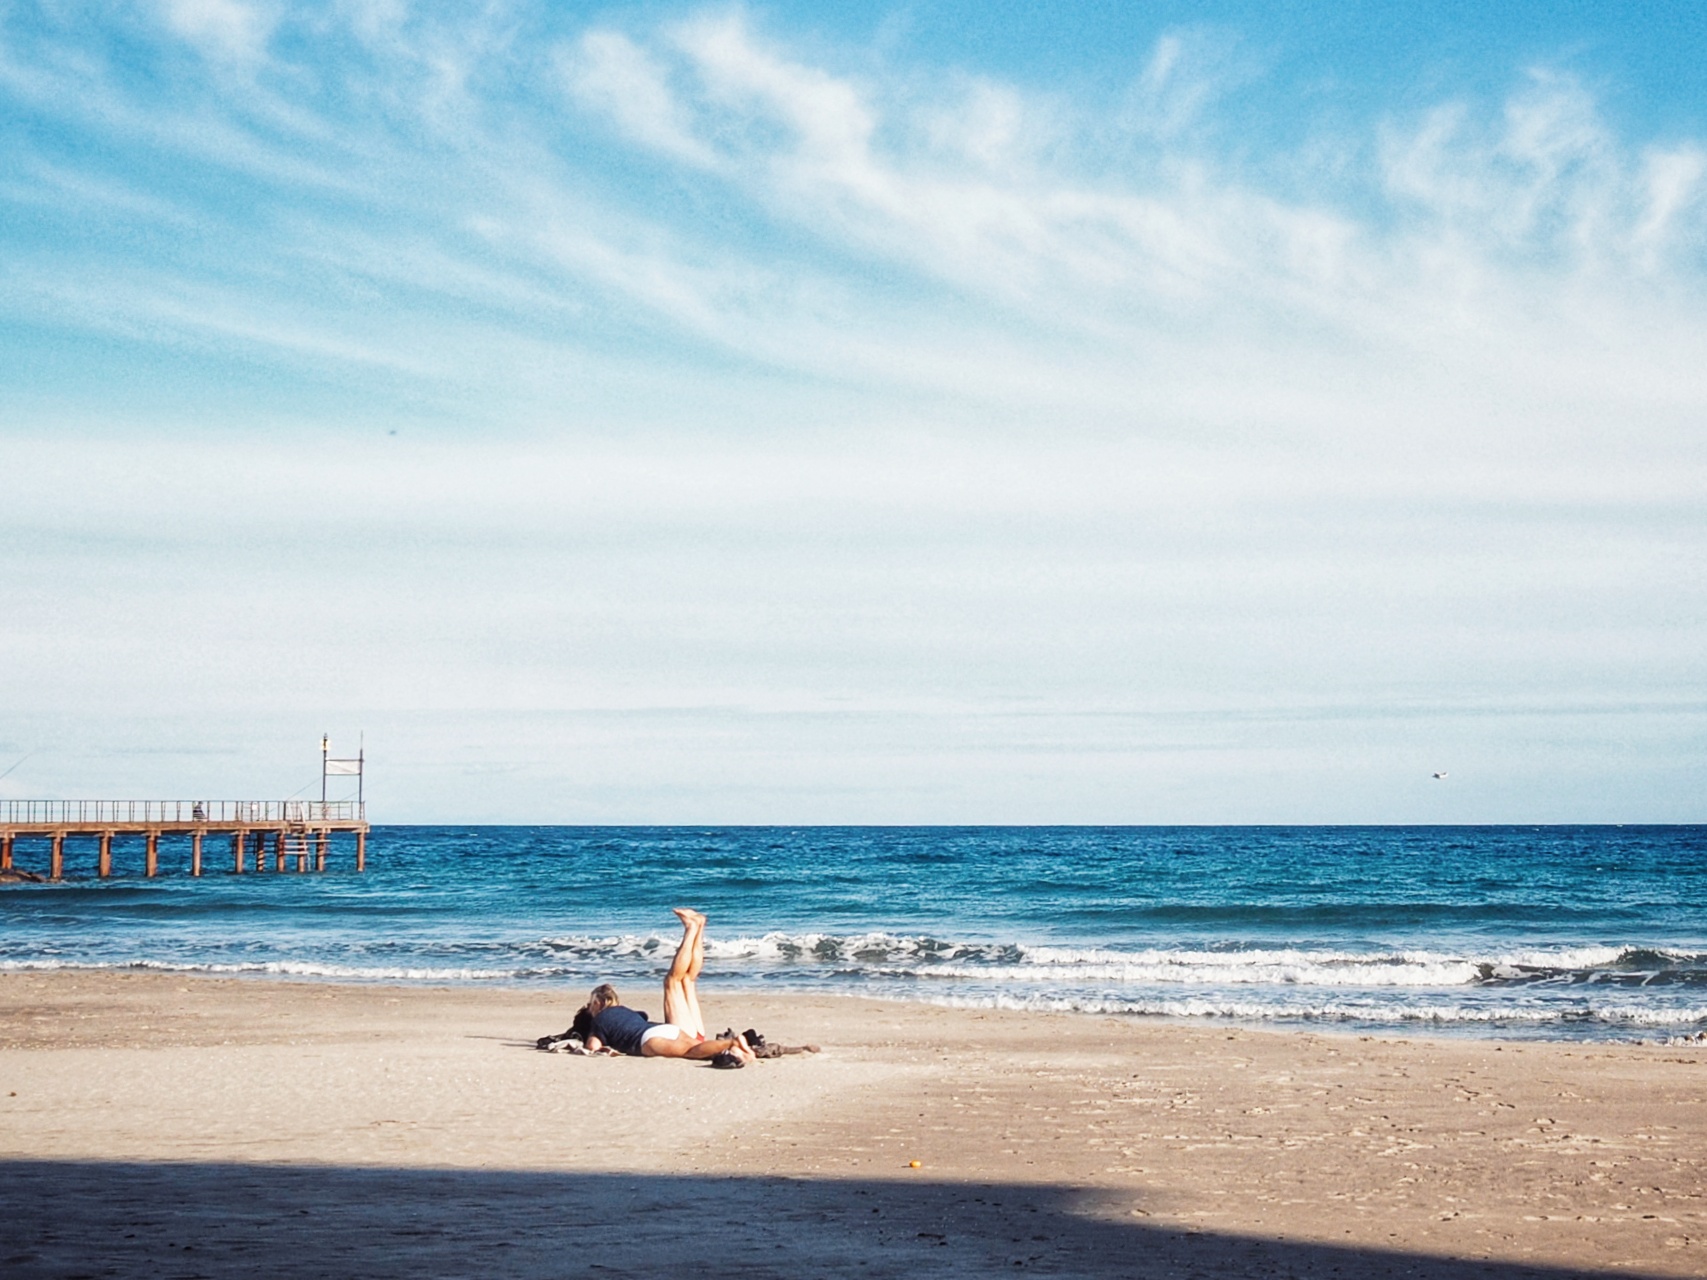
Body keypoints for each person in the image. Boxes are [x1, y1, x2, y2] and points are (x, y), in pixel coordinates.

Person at [580, 908, 754, 1063]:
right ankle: (699, 927)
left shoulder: (600, 1021)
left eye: (590, 1005)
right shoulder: (628, 1013)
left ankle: (692, 929)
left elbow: (592, 1047)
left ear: (598, 1003)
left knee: (674, 982)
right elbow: (643, 1016)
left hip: (654, 1037)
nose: (590, 1009)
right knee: (688, 980)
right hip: (671, 1031)